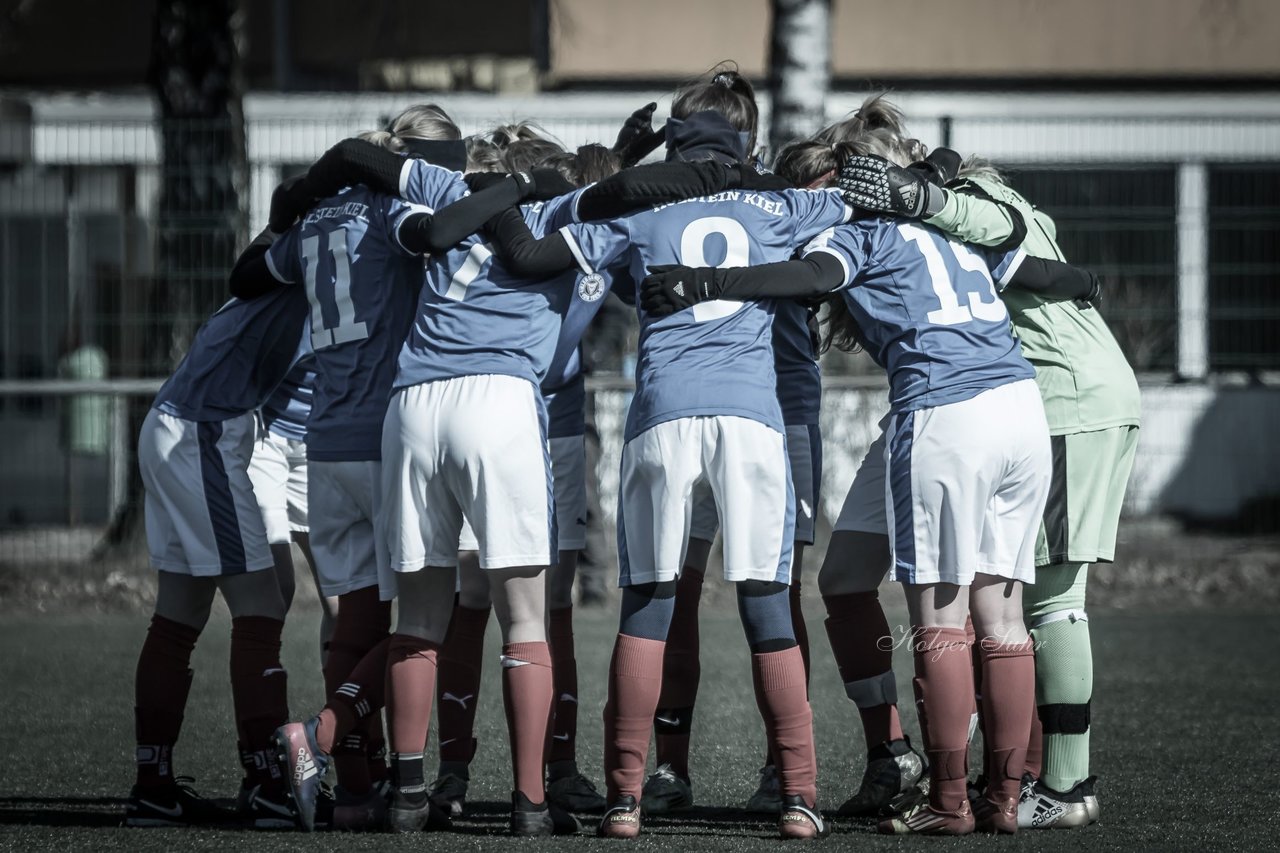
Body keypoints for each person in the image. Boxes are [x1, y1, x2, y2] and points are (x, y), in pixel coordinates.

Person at [639, 131, 1102, 835]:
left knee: (940, 622)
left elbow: (809, 279)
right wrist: (1087, 281)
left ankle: (948, 802)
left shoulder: (863, 234)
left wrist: (708, 282)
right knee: (1002, 618)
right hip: (1020, 408)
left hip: (946, 412)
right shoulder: (947, 222)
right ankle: (1005, 798)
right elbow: (1040, 273)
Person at [480, 68, 848, 841]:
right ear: (745, 138)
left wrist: (611, 172)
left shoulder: (641, 207)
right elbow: (858, 201)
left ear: (677, 136)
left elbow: (541, 249)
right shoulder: (782, 204)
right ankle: (799, 795)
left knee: (647, 607)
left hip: (662, 418)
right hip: (754, 421)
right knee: (768, 609)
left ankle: (625, 797)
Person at [248, 104, 577, 834]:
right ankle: (517, 798)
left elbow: (249, 272)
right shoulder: (402, 214)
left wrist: (293, 207)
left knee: (361, 623)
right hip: (409, 422)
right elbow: (443, 235)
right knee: (496, 614)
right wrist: (525, 188)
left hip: (331, 434)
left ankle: (374, 794)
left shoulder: (325, 220)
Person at [841, 145, 1139, 830]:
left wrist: (926, 197)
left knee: (1051, 600)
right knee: (1015, 600)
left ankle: (1060, 787)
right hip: (1063, 395)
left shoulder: (965, 207)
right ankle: (1020, 786)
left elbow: (990, 228)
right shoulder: (1009, 199)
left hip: (1058, 395)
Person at [124, 282, 310, 828]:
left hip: (175, 422)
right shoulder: (310, 256)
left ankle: (153, 788)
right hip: (201, 433)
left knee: (179, 615)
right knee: (263, 604)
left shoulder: (279, 258)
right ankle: (268, 785)